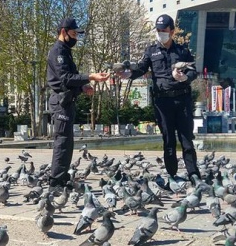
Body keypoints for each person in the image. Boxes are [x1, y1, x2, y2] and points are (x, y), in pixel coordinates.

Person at [118, 14, 201, 184]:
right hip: (162, 102)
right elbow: (141, 68)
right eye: (158, 30)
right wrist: (127, 74)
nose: (160, 33)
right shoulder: (151, 51)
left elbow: (193, 71)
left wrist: (185, 78)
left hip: (182, 100)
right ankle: (172, 175)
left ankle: (193, 174)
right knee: (168, 140)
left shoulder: (182, 50)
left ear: (171, 31)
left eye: (164, 30)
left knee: (186, 139)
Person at [47, 17, 109, 189]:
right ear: (63, 32)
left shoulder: (66, 51)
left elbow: (71, 79)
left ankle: (63, 177)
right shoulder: (58, 52)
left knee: (68, 142)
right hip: (60, 102)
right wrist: (90, 76)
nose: (76, 38)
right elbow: (65, 78)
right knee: (62, 141)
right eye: (74, 34)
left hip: (66, 101)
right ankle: (55, 182)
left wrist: (83, 87)